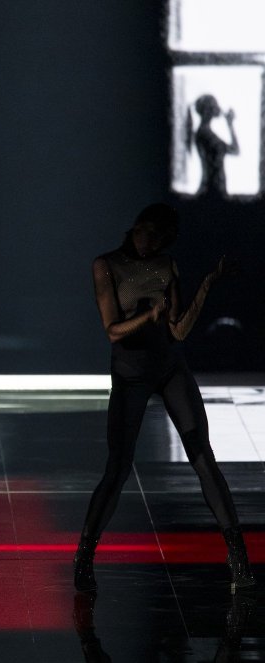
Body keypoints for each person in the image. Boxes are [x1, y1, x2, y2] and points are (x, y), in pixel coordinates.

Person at [73, 203, 254, 593]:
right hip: (131, 374)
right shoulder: (106, 265)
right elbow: (112, 330)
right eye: (150, 235)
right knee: (118, 468)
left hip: (170, 368)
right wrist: (147, 316)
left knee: (203, 457)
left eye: (162, 240)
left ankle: (238, 556)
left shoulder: (167, 265)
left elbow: (179, 331)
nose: (152, 244)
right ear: (137, 227)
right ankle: (85, 555)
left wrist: (206, 285)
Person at [188, 94, 239, 197]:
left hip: (212, 188)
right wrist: (230, 124)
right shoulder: (206, 134)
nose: (217, 108)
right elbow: (235, 150)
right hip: (212, 190)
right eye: (214, 105)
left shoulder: (203, 133)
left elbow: (235, 150)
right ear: (207, 110)